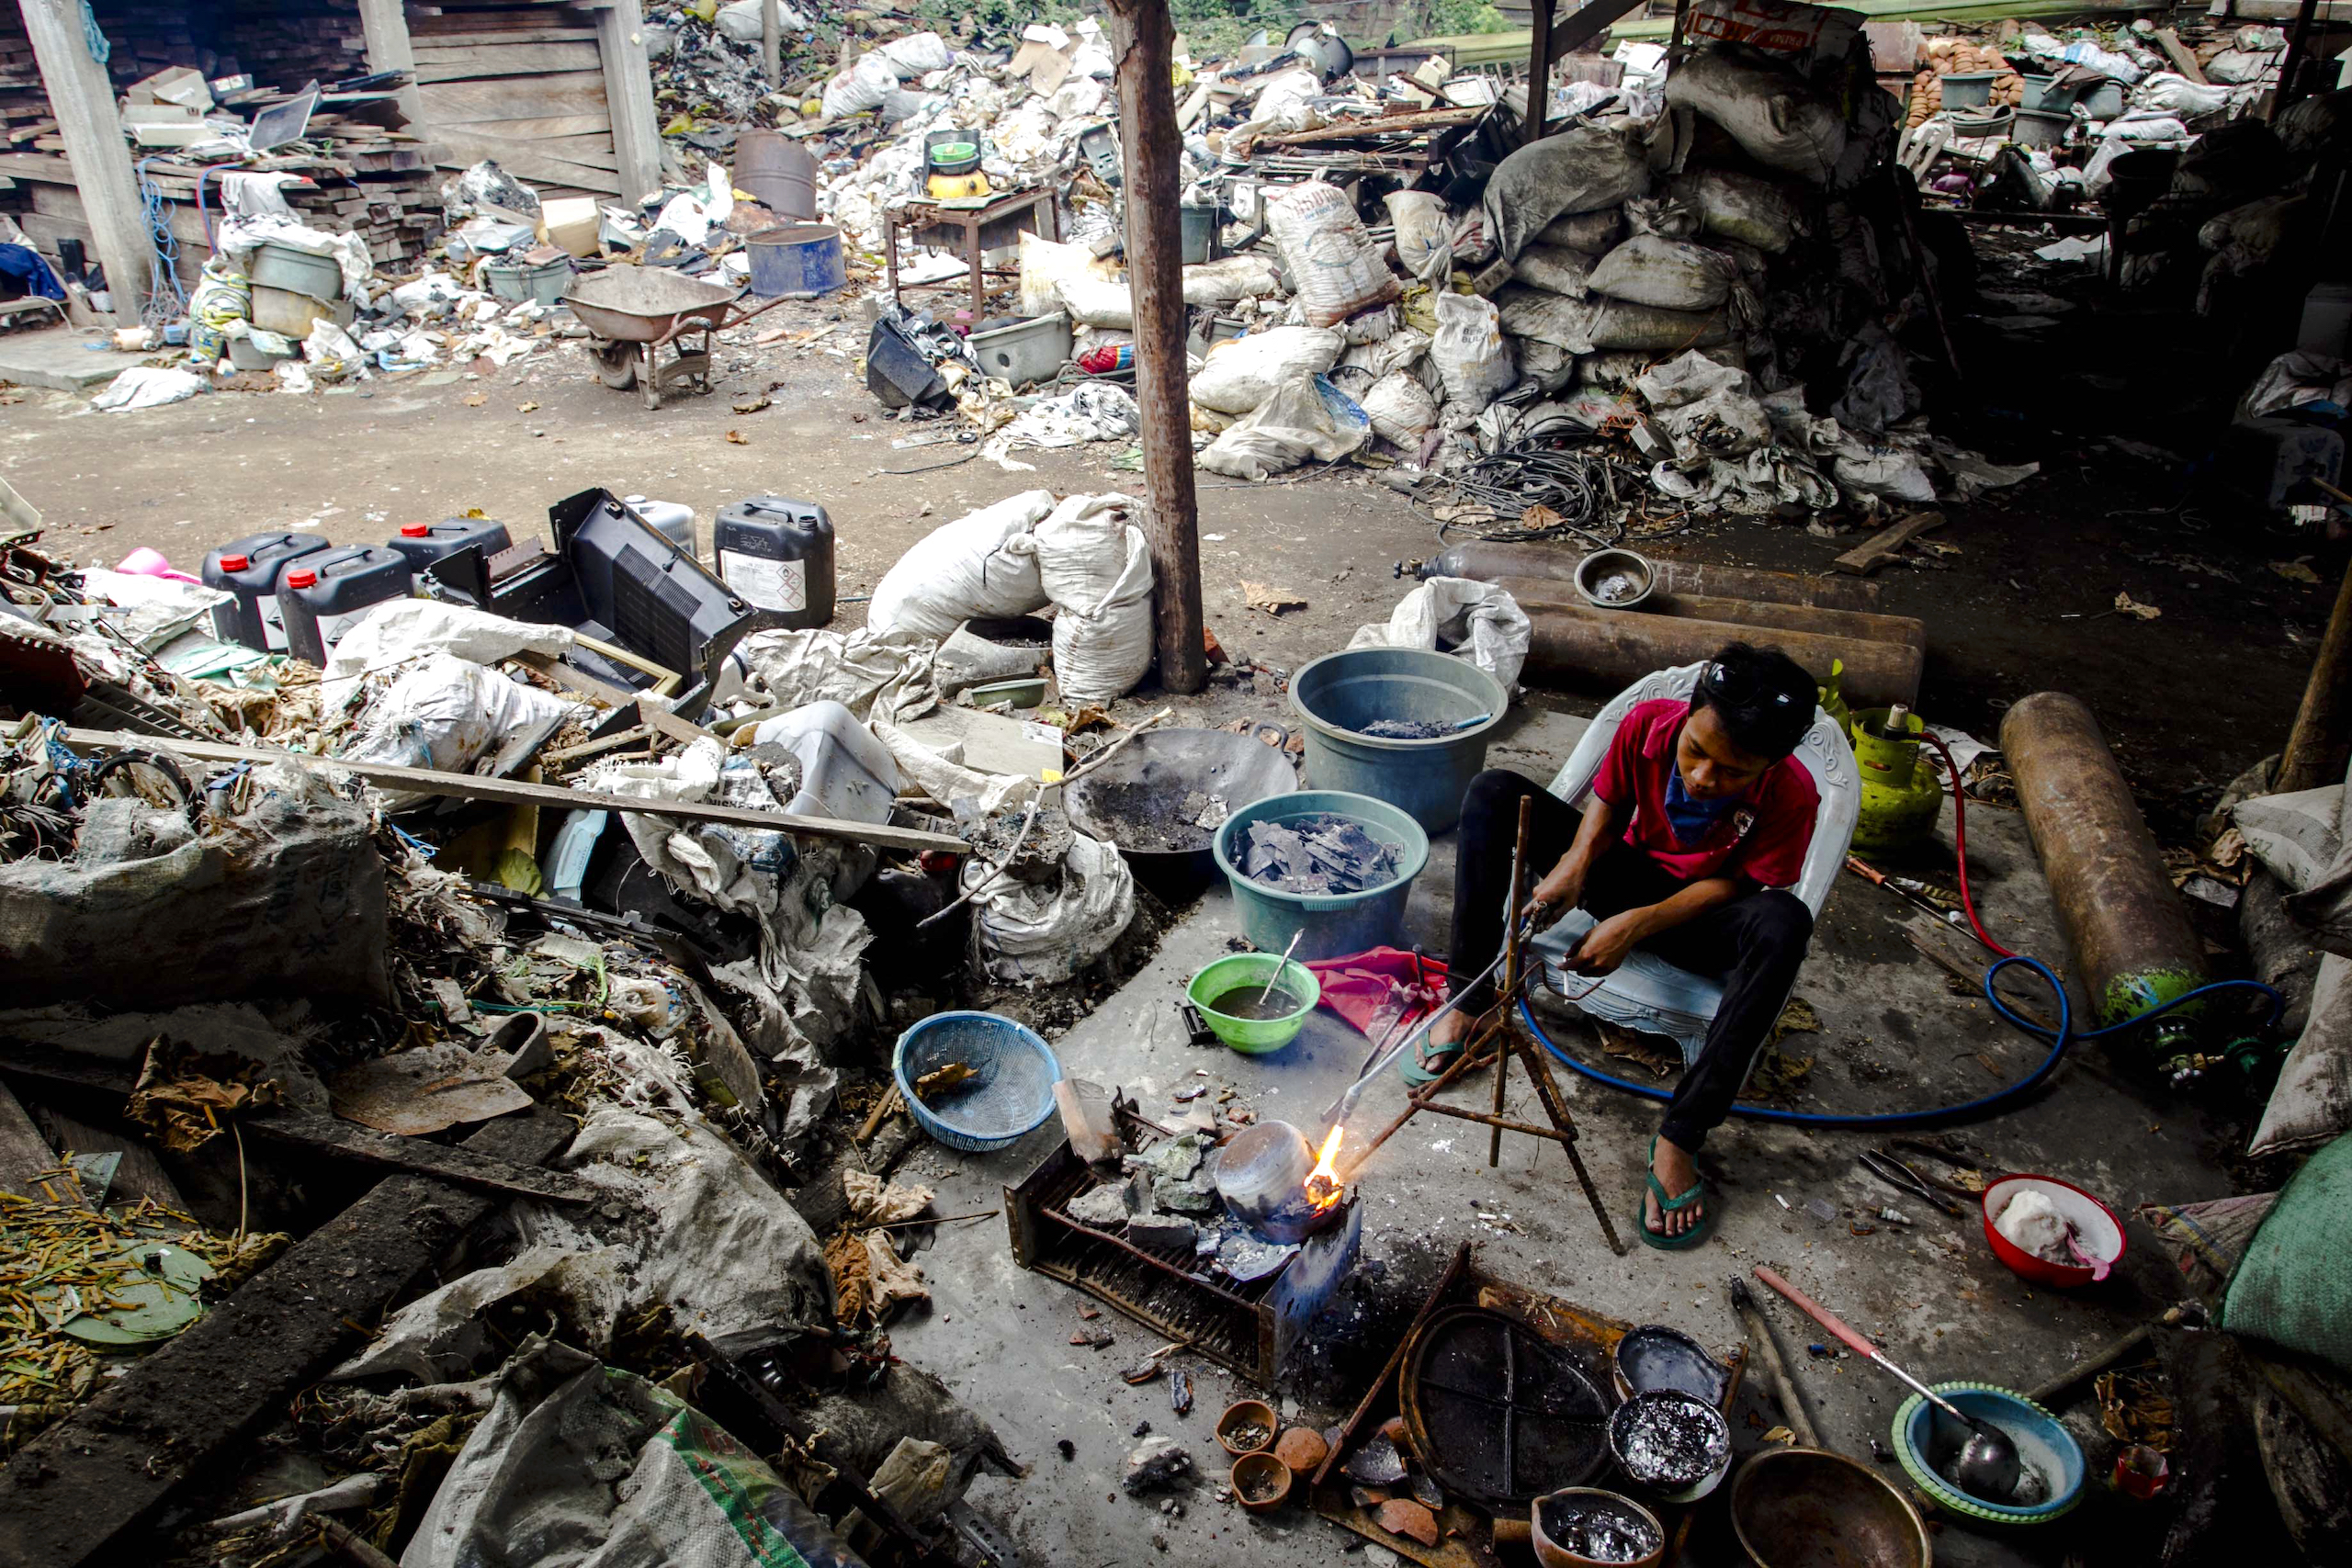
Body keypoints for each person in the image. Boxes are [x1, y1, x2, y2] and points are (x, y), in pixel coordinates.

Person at [1412, 644, 1823, 1249]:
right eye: (1697, 751)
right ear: (1688, 715)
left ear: (1771, 763)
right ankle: (1469, 998)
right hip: (1625, 877)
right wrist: (1576, 864)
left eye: (1733, 772)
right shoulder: (1648, 725)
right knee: (1494, 790)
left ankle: (1682, 1135)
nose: (1705, 777)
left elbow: (1739, 883)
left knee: (1785, 922)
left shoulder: (1793, 794)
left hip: (1705, 916)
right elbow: (1606, 804)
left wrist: (1635, 925)